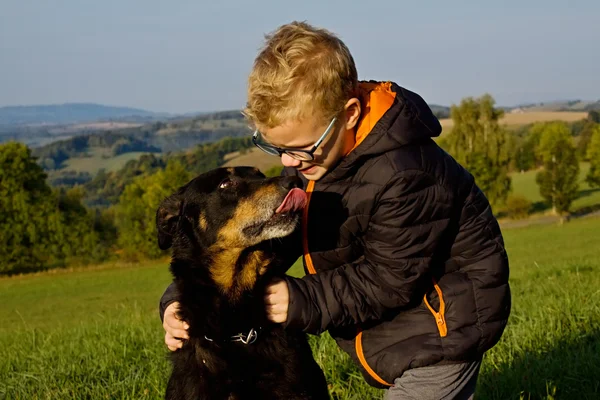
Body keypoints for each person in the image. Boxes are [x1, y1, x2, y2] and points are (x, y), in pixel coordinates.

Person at [159, 21, 511, 399]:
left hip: (443, 325)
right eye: (279, 150)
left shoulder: (407, 174)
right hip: (399, 324)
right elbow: (270, 247)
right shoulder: (317, 161)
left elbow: (389, 278)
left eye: (302, 148)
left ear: (351, 114)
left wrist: (303, 299)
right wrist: (181, 303)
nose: (291, 162)